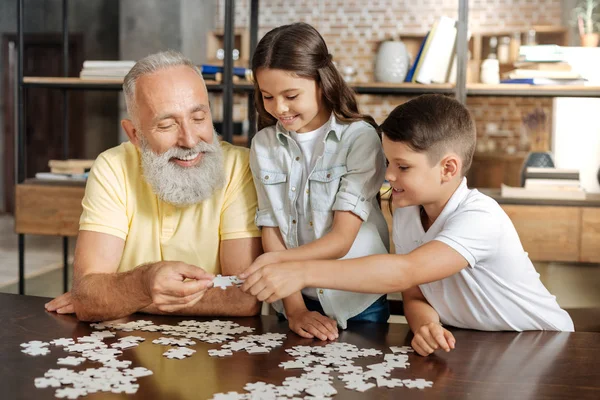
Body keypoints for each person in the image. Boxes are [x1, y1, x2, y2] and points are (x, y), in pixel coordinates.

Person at [240, 94, 574, 355]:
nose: (388, 175)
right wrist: (426, 324)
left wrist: (300, 272)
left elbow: (405, 272)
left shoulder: (481, 218)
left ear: (448, 168)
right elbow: (414, 294)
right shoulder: (406, 212)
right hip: (479, 343)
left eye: (403, 166)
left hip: (546, 344)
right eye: (388, 162)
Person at [45, 50, 262, 321]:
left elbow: (243, 297)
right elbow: (88, 295)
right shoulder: (112, 167)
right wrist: (142, 283)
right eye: (167, 125)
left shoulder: (238, 167)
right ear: (135, 134)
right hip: (125, 355)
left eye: (198, 118)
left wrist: (130, 294)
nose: (190, 140)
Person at [246, 22, 391, 342]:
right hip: (293, 301)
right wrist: (295, 307)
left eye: (291, 95)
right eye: (267, 96)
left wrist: (273, 264)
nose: (279, 108)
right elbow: (271, 227)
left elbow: (341, 240)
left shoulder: (360, 139)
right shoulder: (263, 145)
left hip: (356, 301)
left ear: (322, 83)